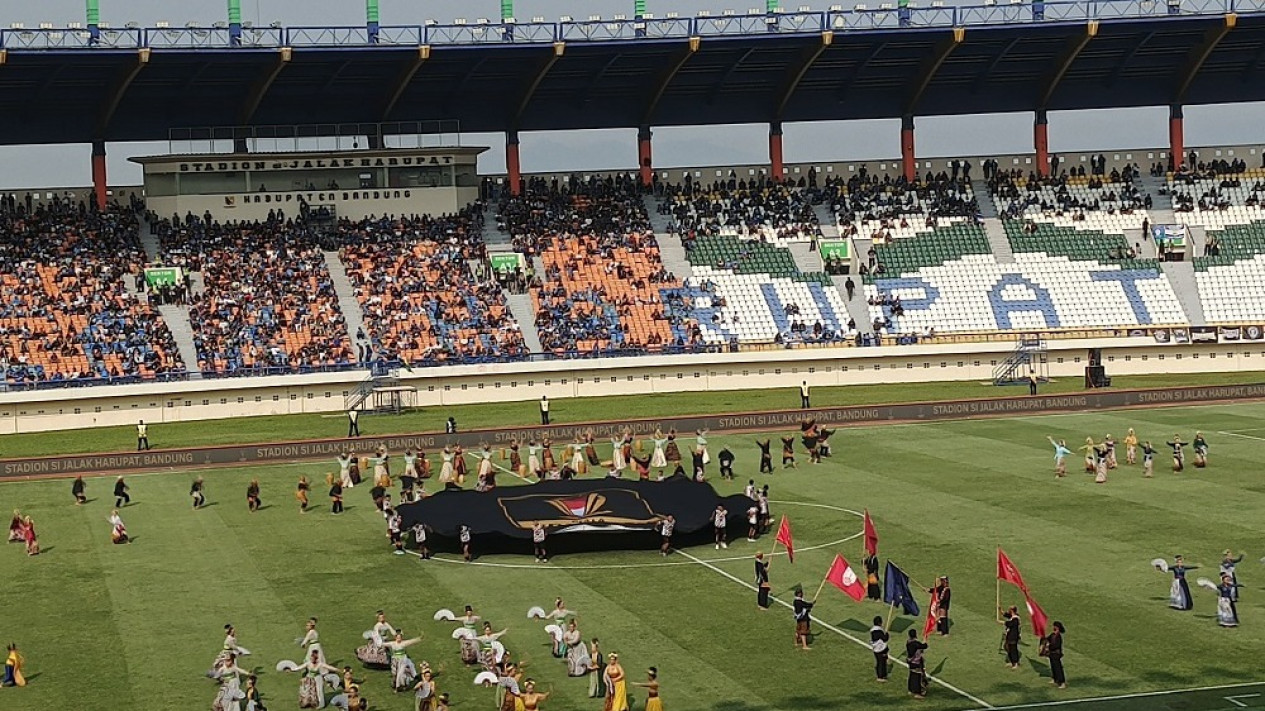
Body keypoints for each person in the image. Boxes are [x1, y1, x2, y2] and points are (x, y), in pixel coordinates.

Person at [1043, 621, 1066, 688]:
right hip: (1052, 654)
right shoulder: (1053, 635)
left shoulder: (1058, 637)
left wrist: (1049, 646)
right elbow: (1047, 639)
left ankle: (1062, 682)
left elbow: (1056, 645)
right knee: (1053, 667)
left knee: (1058, 668)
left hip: (1056, 654)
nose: (1053, 627)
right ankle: (1055, 679)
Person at [905, 629, 927, 699]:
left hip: (910, 662)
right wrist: (925, 641)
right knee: (918, 677)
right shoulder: (915, 644)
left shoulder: (908, 642)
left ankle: (911, 689)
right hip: (916, 662)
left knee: (911, 675)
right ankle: (918, 692)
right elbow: (924, 646)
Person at [869, 616, 889, 682]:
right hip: (880, 649)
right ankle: (881, 676)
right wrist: (887, 634)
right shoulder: (878, 631)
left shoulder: (873, 630)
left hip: (876, 649)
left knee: (879, 662)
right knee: (881, 663)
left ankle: (881, 675)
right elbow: (884, 639)